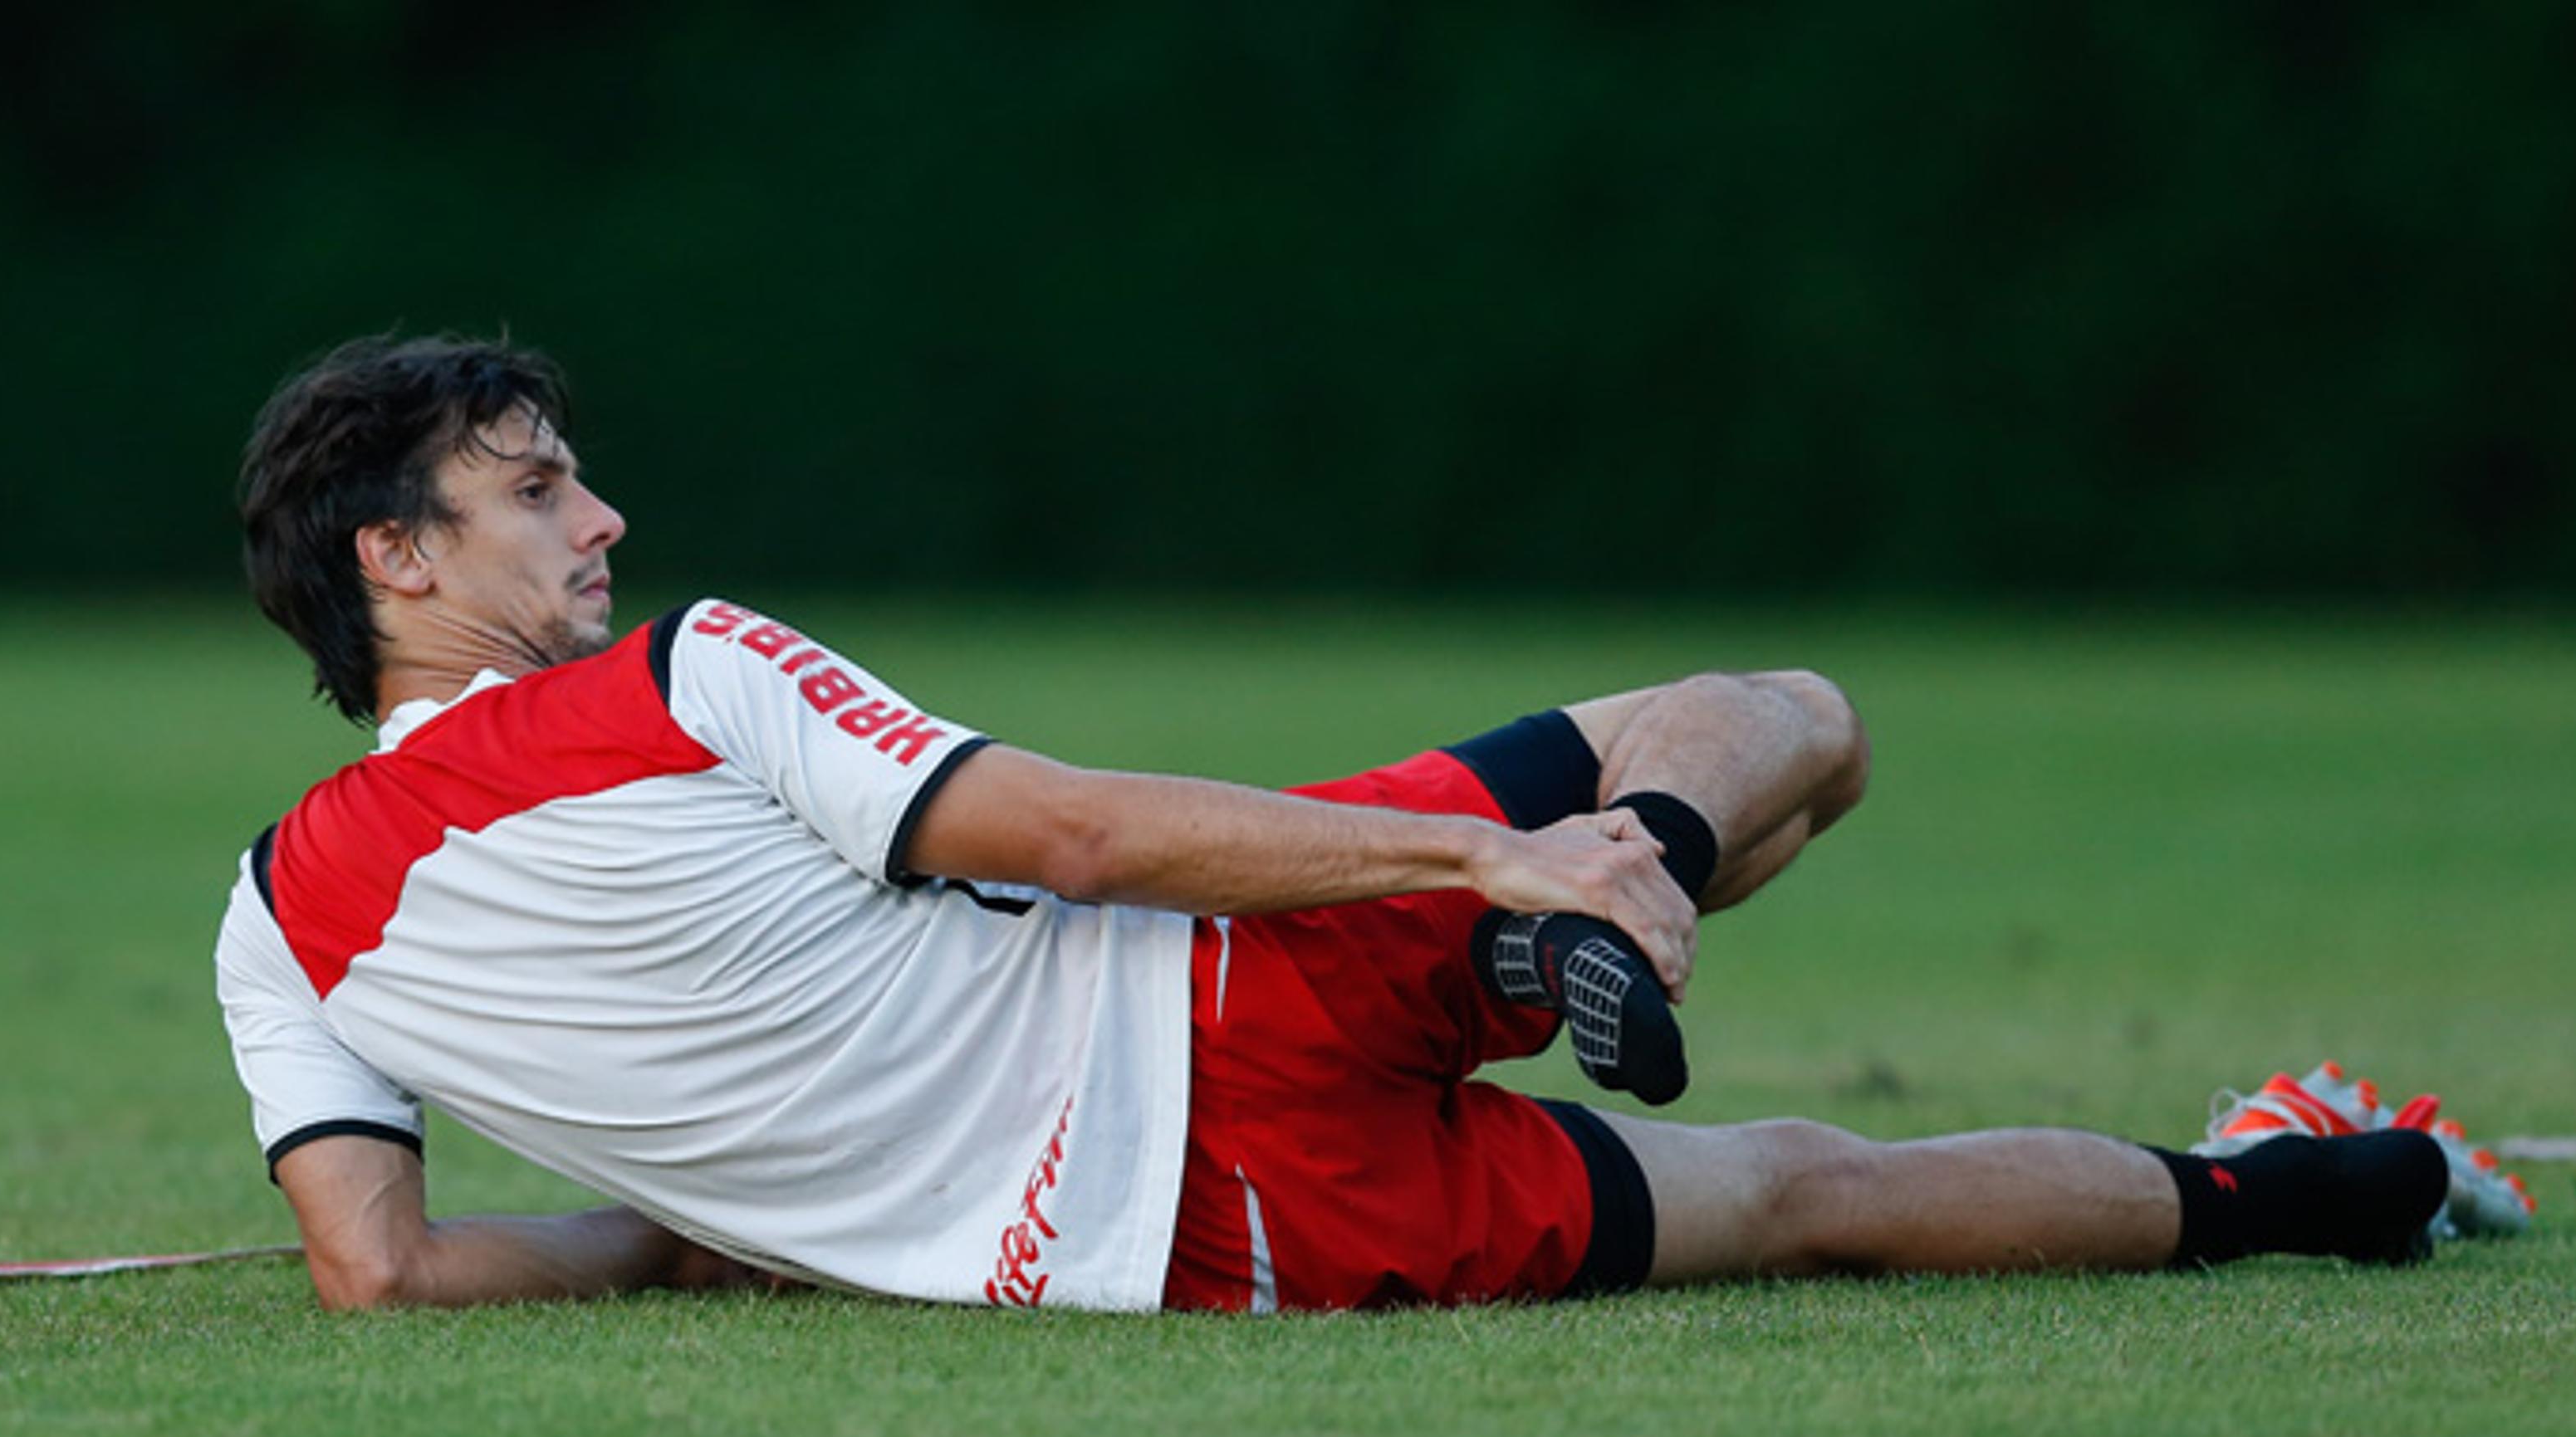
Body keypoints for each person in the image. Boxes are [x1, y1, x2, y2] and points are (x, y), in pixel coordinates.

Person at [216, 333, 2451, 1314]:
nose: (601, 517)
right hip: (1214, 977)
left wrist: (691, 1237)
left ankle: (2337, 1195)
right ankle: (1630, 872)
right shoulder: (680, 672)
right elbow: (1074, 837)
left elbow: (379, 1272)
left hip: (1190, 1252)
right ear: (393, 561)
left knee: (1804, 1194)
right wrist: (1501, 861)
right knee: (1784, 713)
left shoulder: (275, 927)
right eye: (532, 493)